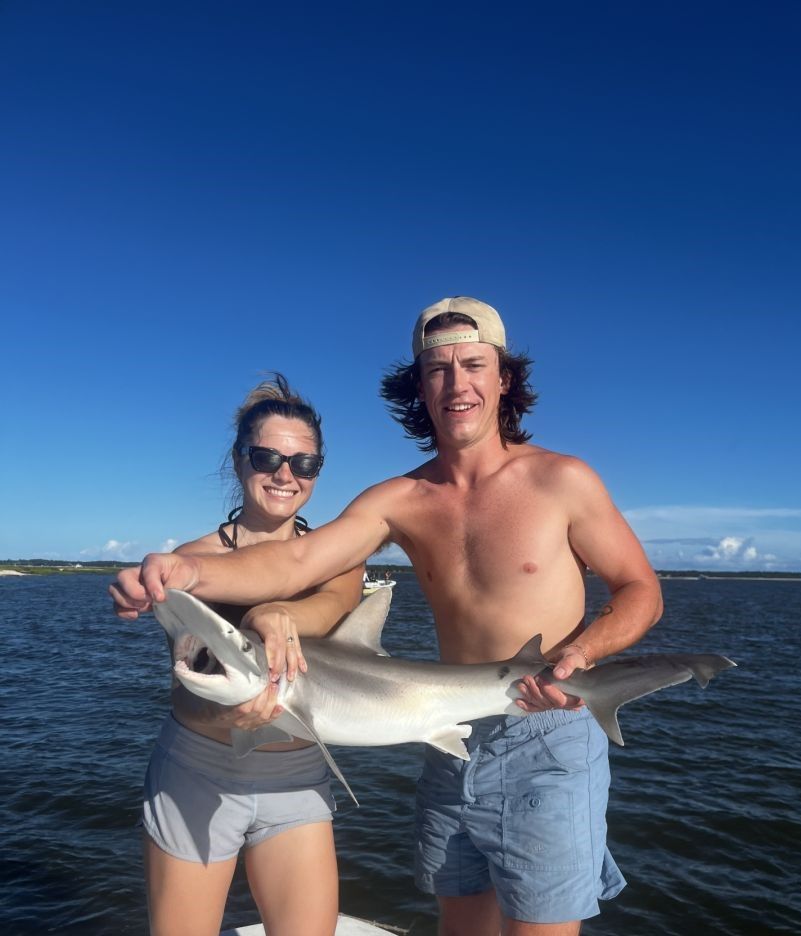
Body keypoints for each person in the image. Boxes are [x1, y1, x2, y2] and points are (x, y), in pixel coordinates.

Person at [112, 297, 663, 936]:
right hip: (445, 730)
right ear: (419, 386)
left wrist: (583, 656)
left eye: (474, 365)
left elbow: (640, 590)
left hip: (549, 728)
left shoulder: (564, 481)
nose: (457, 384)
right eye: (438, 370)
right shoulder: (398, 500)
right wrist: (186, 574)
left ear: (502, 378)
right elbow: (298, 563)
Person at [136, 375, 363, 936]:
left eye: (304, 463)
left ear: (317, 472)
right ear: (238, 462)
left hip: (297, 776)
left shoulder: (341, 560)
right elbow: (189, 677)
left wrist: (272, 613)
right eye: (267, 457)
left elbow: (332, 608)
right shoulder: (192, 562)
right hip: (200, 770)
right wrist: (229, 714)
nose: (285, 475)